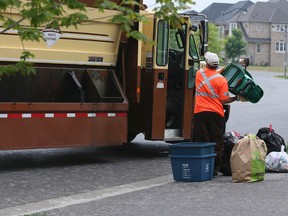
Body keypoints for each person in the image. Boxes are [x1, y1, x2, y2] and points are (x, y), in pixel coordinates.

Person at [192, 52, 239, 176]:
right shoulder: (222, 80)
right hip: (216, 114)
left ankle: (202, 166)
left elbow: (208, 76)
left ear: (207, 63)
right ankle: (215, 169)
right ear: (217, 65)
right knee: (217, 142)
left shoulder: (198, 74)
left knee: (202, 141)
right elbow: (224, 100)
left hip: (200, 112)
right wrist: (235, 98)